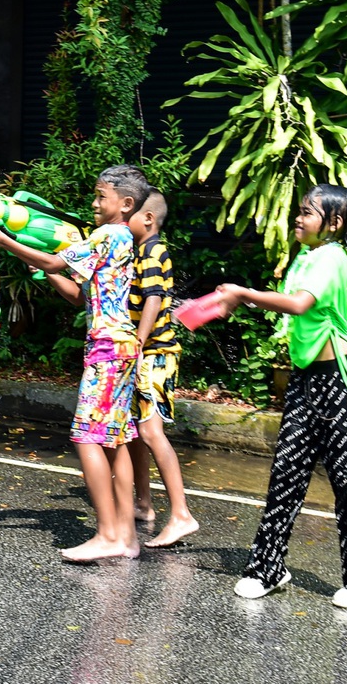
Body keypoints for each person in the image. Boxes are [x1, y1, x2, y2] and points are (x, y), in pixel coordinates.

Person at [216, 183, 347, 609]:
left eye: (308, 212)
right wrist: (246, 301)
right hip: (306, 379)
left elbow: (297, 305)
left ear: (334, 223)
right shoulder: (309, 256)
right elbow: (289, 302)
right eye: (299, 210)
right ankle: (267, 568)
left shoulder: (332, 257)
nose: (298, 217)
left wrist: (244, 294)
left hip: (340, 381)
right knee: (286, 473)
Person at [0, 164, 146, 562]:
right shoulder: (121, 238)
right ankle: (126, 538)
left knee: (87, 438)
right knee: (115, 441)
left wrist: (3, 239)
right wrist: (42, 267)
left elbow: (55, 262)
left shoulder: (107, 233)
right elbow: (78, 295)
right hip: (121, 345)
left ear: (126, 203)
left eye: (102, 196)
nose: (95, 202)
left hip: (107, 349)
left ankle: (107, 535)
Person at [126, 190, 198, 547]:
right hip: (144, 353)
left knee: (151, 432)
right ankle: (143, 504)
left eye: (130, 213)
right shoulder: (137, 250)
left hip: (155, 354)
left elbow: (153, 297)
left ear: (148, 219)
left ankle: (182, 515)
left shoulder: (153, 250)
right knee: (138, 432)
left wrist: (138, 341)